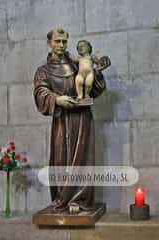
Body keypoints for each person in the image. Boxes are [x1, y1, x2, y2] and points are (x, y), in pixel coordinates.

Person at [33, 28, 107, 212]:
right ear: (49, 43)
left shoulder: (76, 64)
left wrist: (97, 72)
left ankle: (80, 200)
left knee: (82, 160)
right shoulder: (43, 70)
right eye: (57, 41)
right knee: (62, 160)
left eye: (64, 41)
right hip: (62, 121)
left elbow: (93, 88)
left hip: (82, 120)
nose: (61, 45)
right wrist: (57, 100)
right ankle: (63, 198)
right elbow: (41, 91)